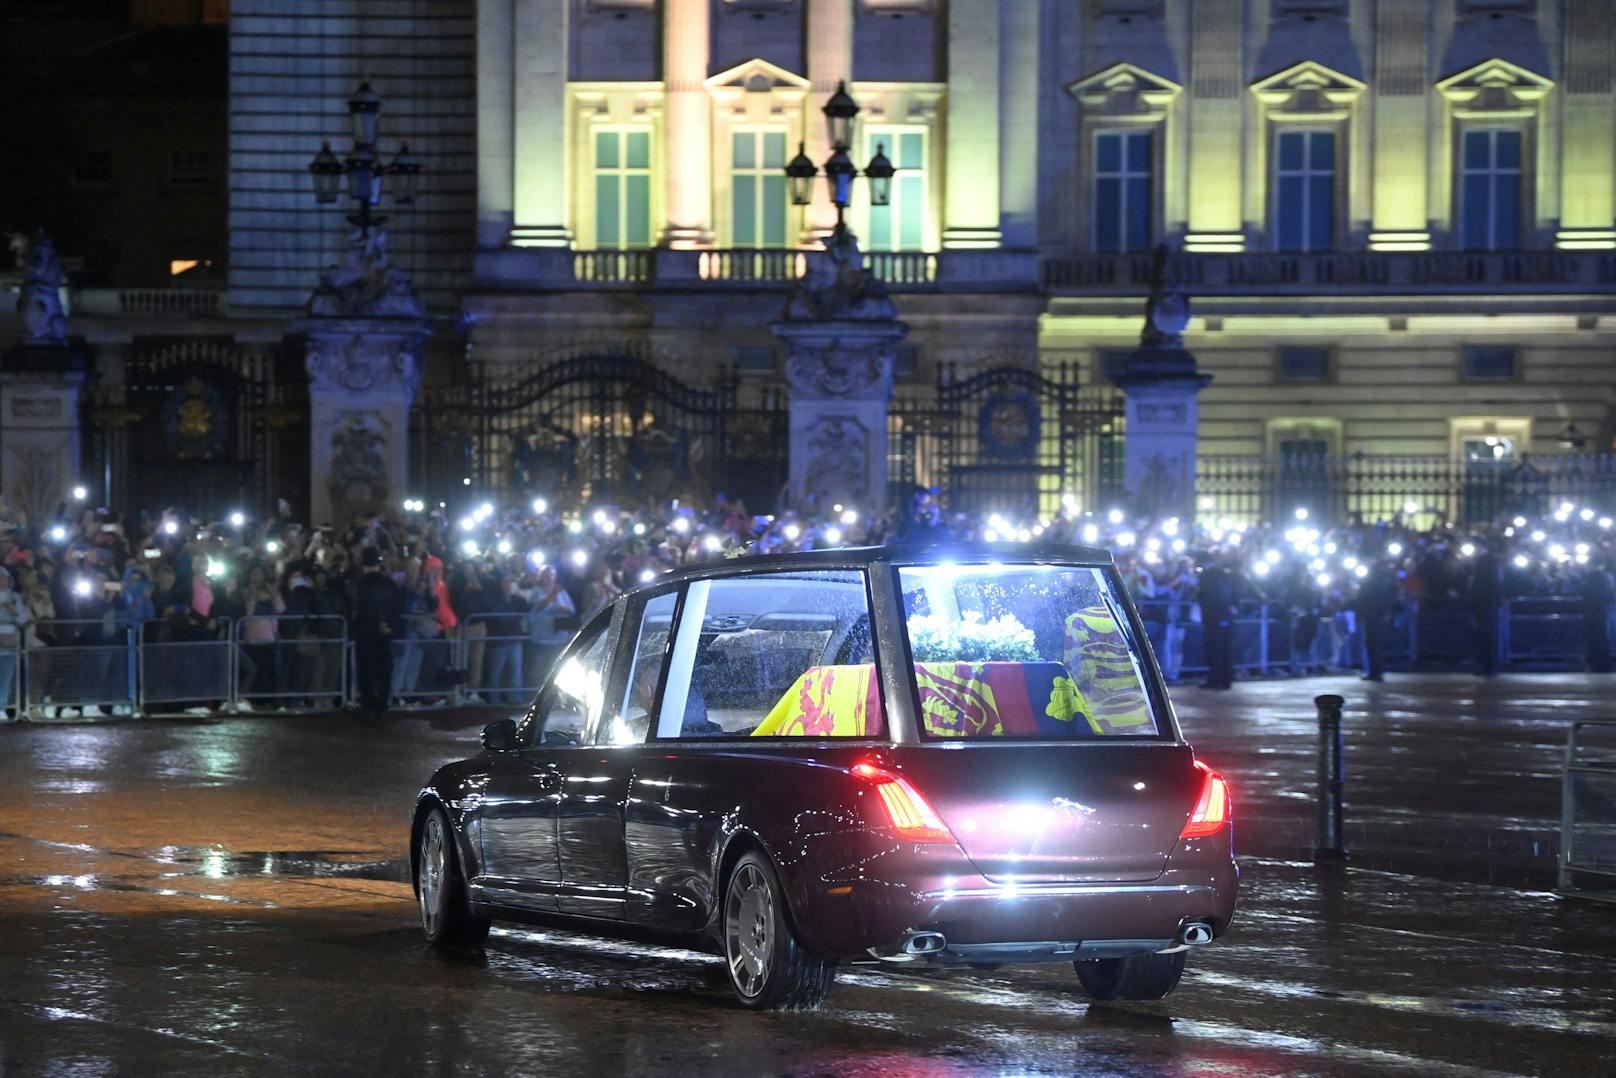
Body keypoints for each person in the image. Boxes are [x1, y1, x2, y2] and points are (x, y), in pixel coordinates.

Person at [351, 547, 403, 719]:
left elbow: (361, 609)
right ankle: (382, 705)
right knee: (384, 670)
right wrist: (389, 626)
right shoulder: (389, 583)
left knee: (367, 670)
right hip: (385, 634)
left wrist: (376, 624)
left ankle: (368, 706)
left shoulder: (360, 584)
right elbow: (397, 609)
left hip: (366, 633)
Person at [1197, 554, 1236, 690]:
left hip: (1214, 618)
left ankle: (1216, 679)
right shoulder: (1223, 575)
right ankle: (1225, 679)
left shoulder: (1207, 576)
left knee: (1215, 649)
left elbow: (1211, 597)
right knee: (1225, 648)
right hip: (1224, 617)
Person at [1468, 544, 1504, 677]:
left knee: (1485, 636)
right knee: (1487, 636)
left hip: (1484, 606)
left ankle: (1487, 665)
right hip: (1487, 606)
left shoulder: (1483, 567)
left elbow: (1478, 587)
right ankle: (1488, 665)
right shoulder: (1489, 566)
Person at [1581, 557, 1614, 673]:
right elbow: (1609, 595)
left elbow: (1588, 594)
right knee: (1600, 639)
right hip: (1600, 612)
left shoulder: (1592, 578)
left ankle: (1598, 664)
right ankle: (1602, 664)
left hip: (1594, 612)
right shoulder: (1603, 577)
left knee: (1596, 639)